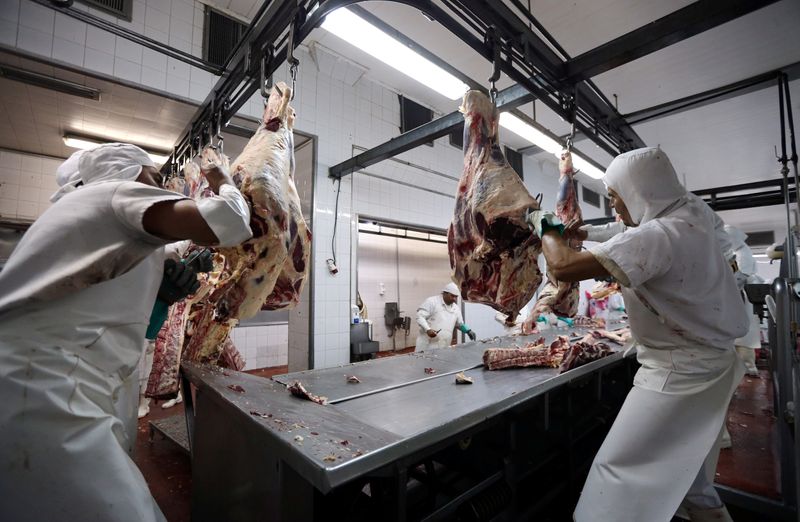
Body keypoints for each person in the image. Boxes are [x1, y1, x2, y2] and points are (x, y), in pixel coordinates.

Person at [0, 143, 253, 522]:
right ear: (126, 173)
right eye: (152, 175)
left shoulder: (90, 219)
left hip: (56, 380)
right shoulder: (111, 194)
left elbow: (111, 315)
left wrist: (162, 298)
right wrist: (222, 180)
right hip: (45, 388)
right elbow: (230, 220)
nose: (160, 184)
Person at [527, 147, 747, 522]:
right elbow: (627, 228)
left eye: (615, 198)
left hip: (677, 372)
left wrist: (546, 227)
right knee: (684, 467)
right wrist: (588, 230)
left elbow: (563, 267)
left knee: (617, 473)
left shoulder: (660, 236)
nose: (614, 207)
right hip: (709, 361)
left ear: (638, 194)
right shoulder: (690, 210)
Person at [725, 225, 764, 377]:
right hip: (742, 299)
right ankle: (744, 366)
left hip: (744, 299)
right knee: (741, 337)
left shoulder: (743, 254)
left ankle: (748, 367)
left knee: (744, 338)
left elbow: (740, 276)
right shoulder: (740, 252)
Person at [415, 282, 476, 351]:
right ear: (445, 293)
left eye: (456, 297)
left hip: (444, 345)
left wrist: (468, 331)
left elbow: (459, 324)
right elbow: (420, 317)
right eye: (452, 296)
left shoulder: (456, 308)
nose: (454, 299)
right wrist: (428, 329)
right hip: (427, 345)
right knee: (424, 361)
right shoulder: (432, 302)